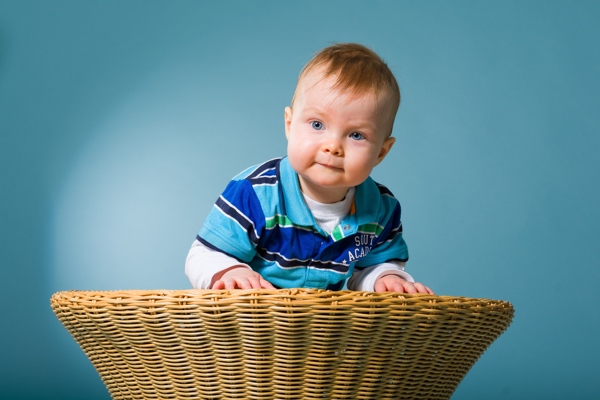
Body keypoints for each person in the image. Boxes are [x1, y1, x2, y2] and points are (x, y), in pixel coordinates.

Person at [186, 43, 433, 294]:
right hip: (253, 322)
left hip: (321, 327)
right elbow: (203, 254)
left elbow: (374, 267)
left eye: (356, 135)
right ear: (290, 125)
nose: (333, 146)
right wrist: (231, 271)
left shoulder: (380, 208)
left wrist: (384, 279)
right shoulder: (256, 194)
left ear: (380, 152)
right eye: (317, 124)